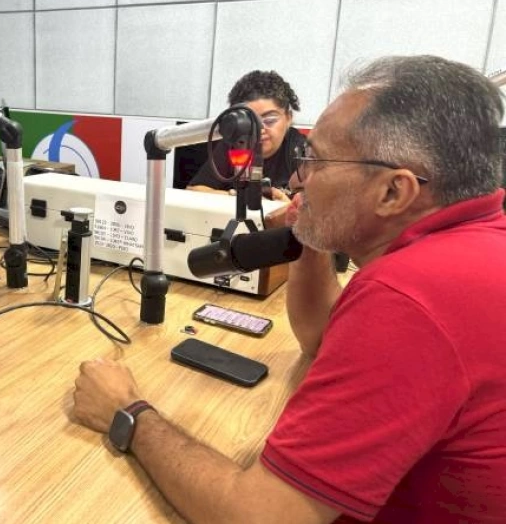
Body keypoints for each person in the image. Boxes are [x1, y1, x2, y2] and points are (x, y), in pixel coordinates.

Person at [72, 55, 506, 523]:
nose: (300, 178)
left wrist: (130, 413)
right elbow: (322, 339)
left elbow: (261, 517)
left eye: (316, 160)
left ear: (393, 192)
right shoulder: (478, 241)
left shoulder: (409, 298)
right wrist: (313, 239)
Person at [187, 70, 305, 202]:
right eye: (250, 121)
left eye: (270, 120)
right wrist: (240, 198)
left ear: (288, 118)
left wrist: (287, 208)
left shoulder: (302, 152)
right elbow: (194, 190)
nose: (260, 130)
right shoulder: (236, 144)